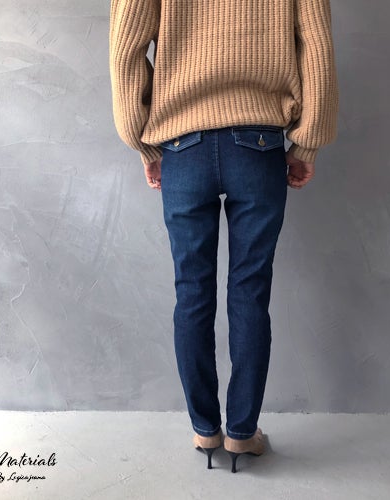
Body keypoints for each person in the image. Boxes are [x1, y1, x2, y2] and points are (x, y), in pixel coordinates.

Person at [109, 0, 339, 473]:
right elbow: (316, 43)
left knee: (191, 291)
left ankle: (204, 429)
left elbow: (125, 47)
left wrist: (143, 141)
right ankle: (242, 433)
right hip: (258, 144)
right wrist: (307, 141)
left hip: (182, 146)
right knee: (250, 290)